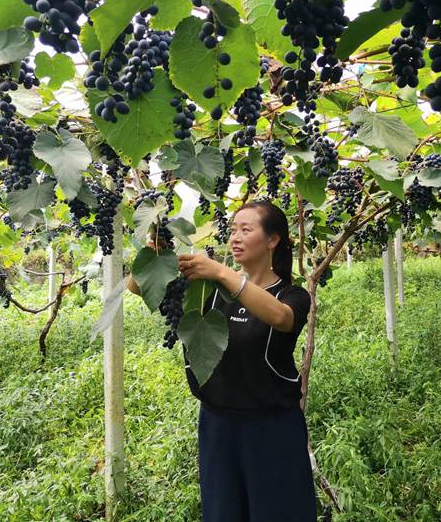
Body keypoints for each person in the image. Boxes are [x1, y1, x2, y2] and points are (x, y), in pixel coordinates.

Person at [129, 200, 317, 521]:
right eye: (232, 230)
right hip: (218, 427)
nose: (235, 237)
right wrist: (155, 254)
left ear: (272, 240)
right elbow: (140, 286)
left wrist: (222, 272)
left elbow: (281, 318)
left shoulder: (291, 295)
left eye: (246, 229)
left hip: (272, 429)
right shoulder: (209, 290)